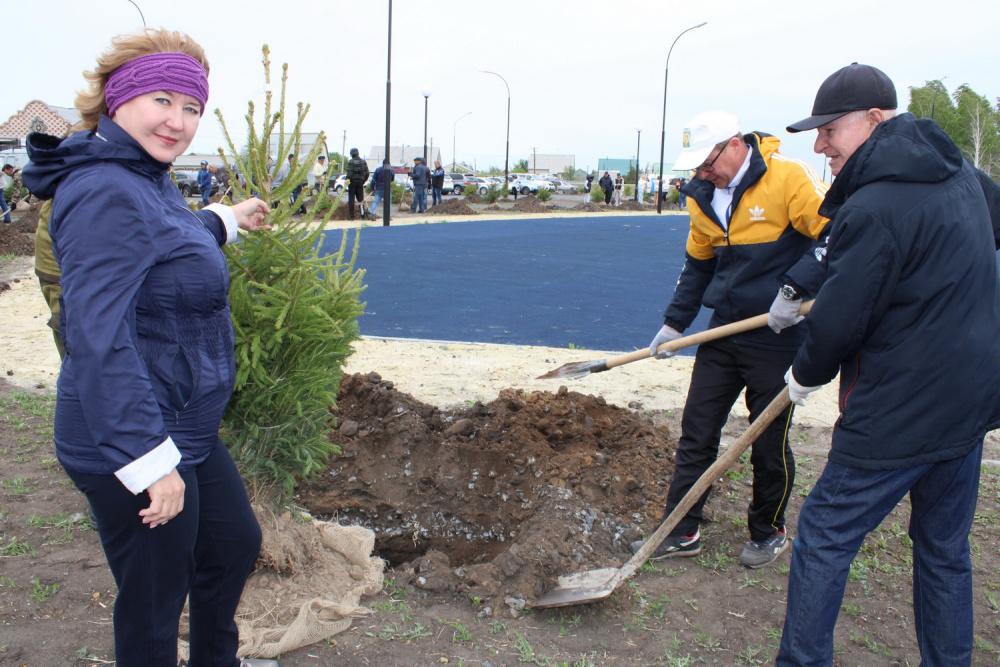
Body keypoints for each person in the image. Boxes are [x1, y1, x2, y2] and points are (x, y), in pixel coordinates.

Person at [21, 28, 278, 667]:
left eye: (191, 107)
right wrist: (147, 461)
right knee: (155, 601)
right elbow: (96, 337)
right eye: (162, 100)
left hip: (180, 419)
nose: (178, 121)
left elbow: (160, 240)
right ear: (119, 98)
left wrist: (224, 219)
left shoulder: (140, 173)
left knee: (231, 546)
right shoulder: (105, 188)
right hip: (131, 436)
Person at [775, 63, 1000, 667]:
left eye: (830, 130)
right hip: (969, 401)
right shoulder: (964, 177)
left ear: (875, 119)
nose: (820, 146)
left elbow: (841, 320)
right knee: (944, 549)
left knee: (824, 535)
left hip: (903, 407)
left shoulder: (873, 206)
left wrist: (803, 374)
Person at [631, 110, 829, 569]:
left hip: (778, 335)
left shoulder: (788, 178)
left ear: (735, 145)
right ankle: (681, 531)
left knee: (768, 441)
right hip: (724, 332)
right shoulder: (701, 197)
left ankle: (769, 531)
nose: (703, 174)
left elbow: (838, 234)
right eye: (697, 167)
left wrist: (794, 289)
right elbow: (698, 265)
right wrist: (675, 323)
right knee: (697, 433)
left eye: (708, 163)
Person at [345, 147, 369, 220]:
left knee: (351, 199)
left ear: (351, 154)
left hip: (352, 182)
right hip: (360, 182)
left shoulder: (351, 162)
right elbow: (367, 173)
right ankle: (362, 215)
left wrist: (347, 180)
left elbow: (350, 173)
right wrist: (363, 181)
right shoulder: (363, 161)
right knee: (361, 199)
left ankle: (351, 216)